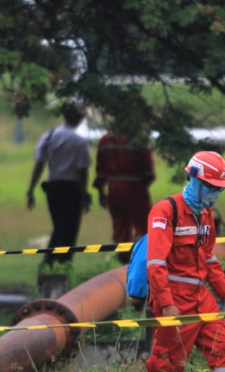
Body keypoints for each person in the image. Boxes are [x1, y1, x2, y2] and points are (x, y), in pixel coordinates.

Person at [141, 151, 225, 372]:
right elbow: (155, 264)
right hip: (174, 299)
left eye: (218, 188)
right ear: (194, 179)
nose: (215, 194)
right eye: (210, 187)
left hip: (202, 297)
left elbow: (207, 258)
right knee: (167, 364)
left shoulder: (206, 215)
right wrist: (166, 304)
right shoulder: (165, 211)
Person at [26, 100, 92, 266]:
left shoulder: (49, 136)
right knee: (69, 229)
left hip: (53, 187)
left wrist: (31, 190)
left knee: (58, 226)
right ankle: (59, 262)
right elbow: (82, 170)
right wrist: (84, 194)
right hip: (72, 188)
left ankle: (50, 262)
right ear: (79, 119)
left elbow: (39, 164)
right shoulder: (80, 141)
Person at [93, 129, 155, 263]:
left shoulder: (106, 139)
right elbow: (148, 171)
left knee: (120, 225)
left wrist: (101, 191)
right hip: (135, 187)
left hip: (113, 188)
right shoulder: (138, 140)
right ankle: (140, 259)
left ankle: (123, 262)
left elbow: (100, 170)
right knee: (142, 224)